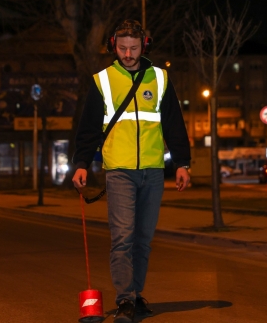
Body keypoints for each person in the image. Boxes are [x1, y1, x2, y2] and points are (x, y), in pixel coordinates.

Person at [72, 19, 191, 322]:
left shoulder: (160, 79)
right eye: (122, 48)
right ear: (113, 45)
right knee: (123, 237)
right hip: (119, 171)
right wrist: (81, 163)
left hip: (152, 170)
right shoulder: (103, 80)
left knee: (143, 238)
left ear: (144, 45)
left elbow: (174, 124)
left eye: (133, 48)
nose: (127, 53)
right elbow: (87, 129)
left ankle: (135, 295)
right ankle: (125, 299)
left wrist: (182, 163)